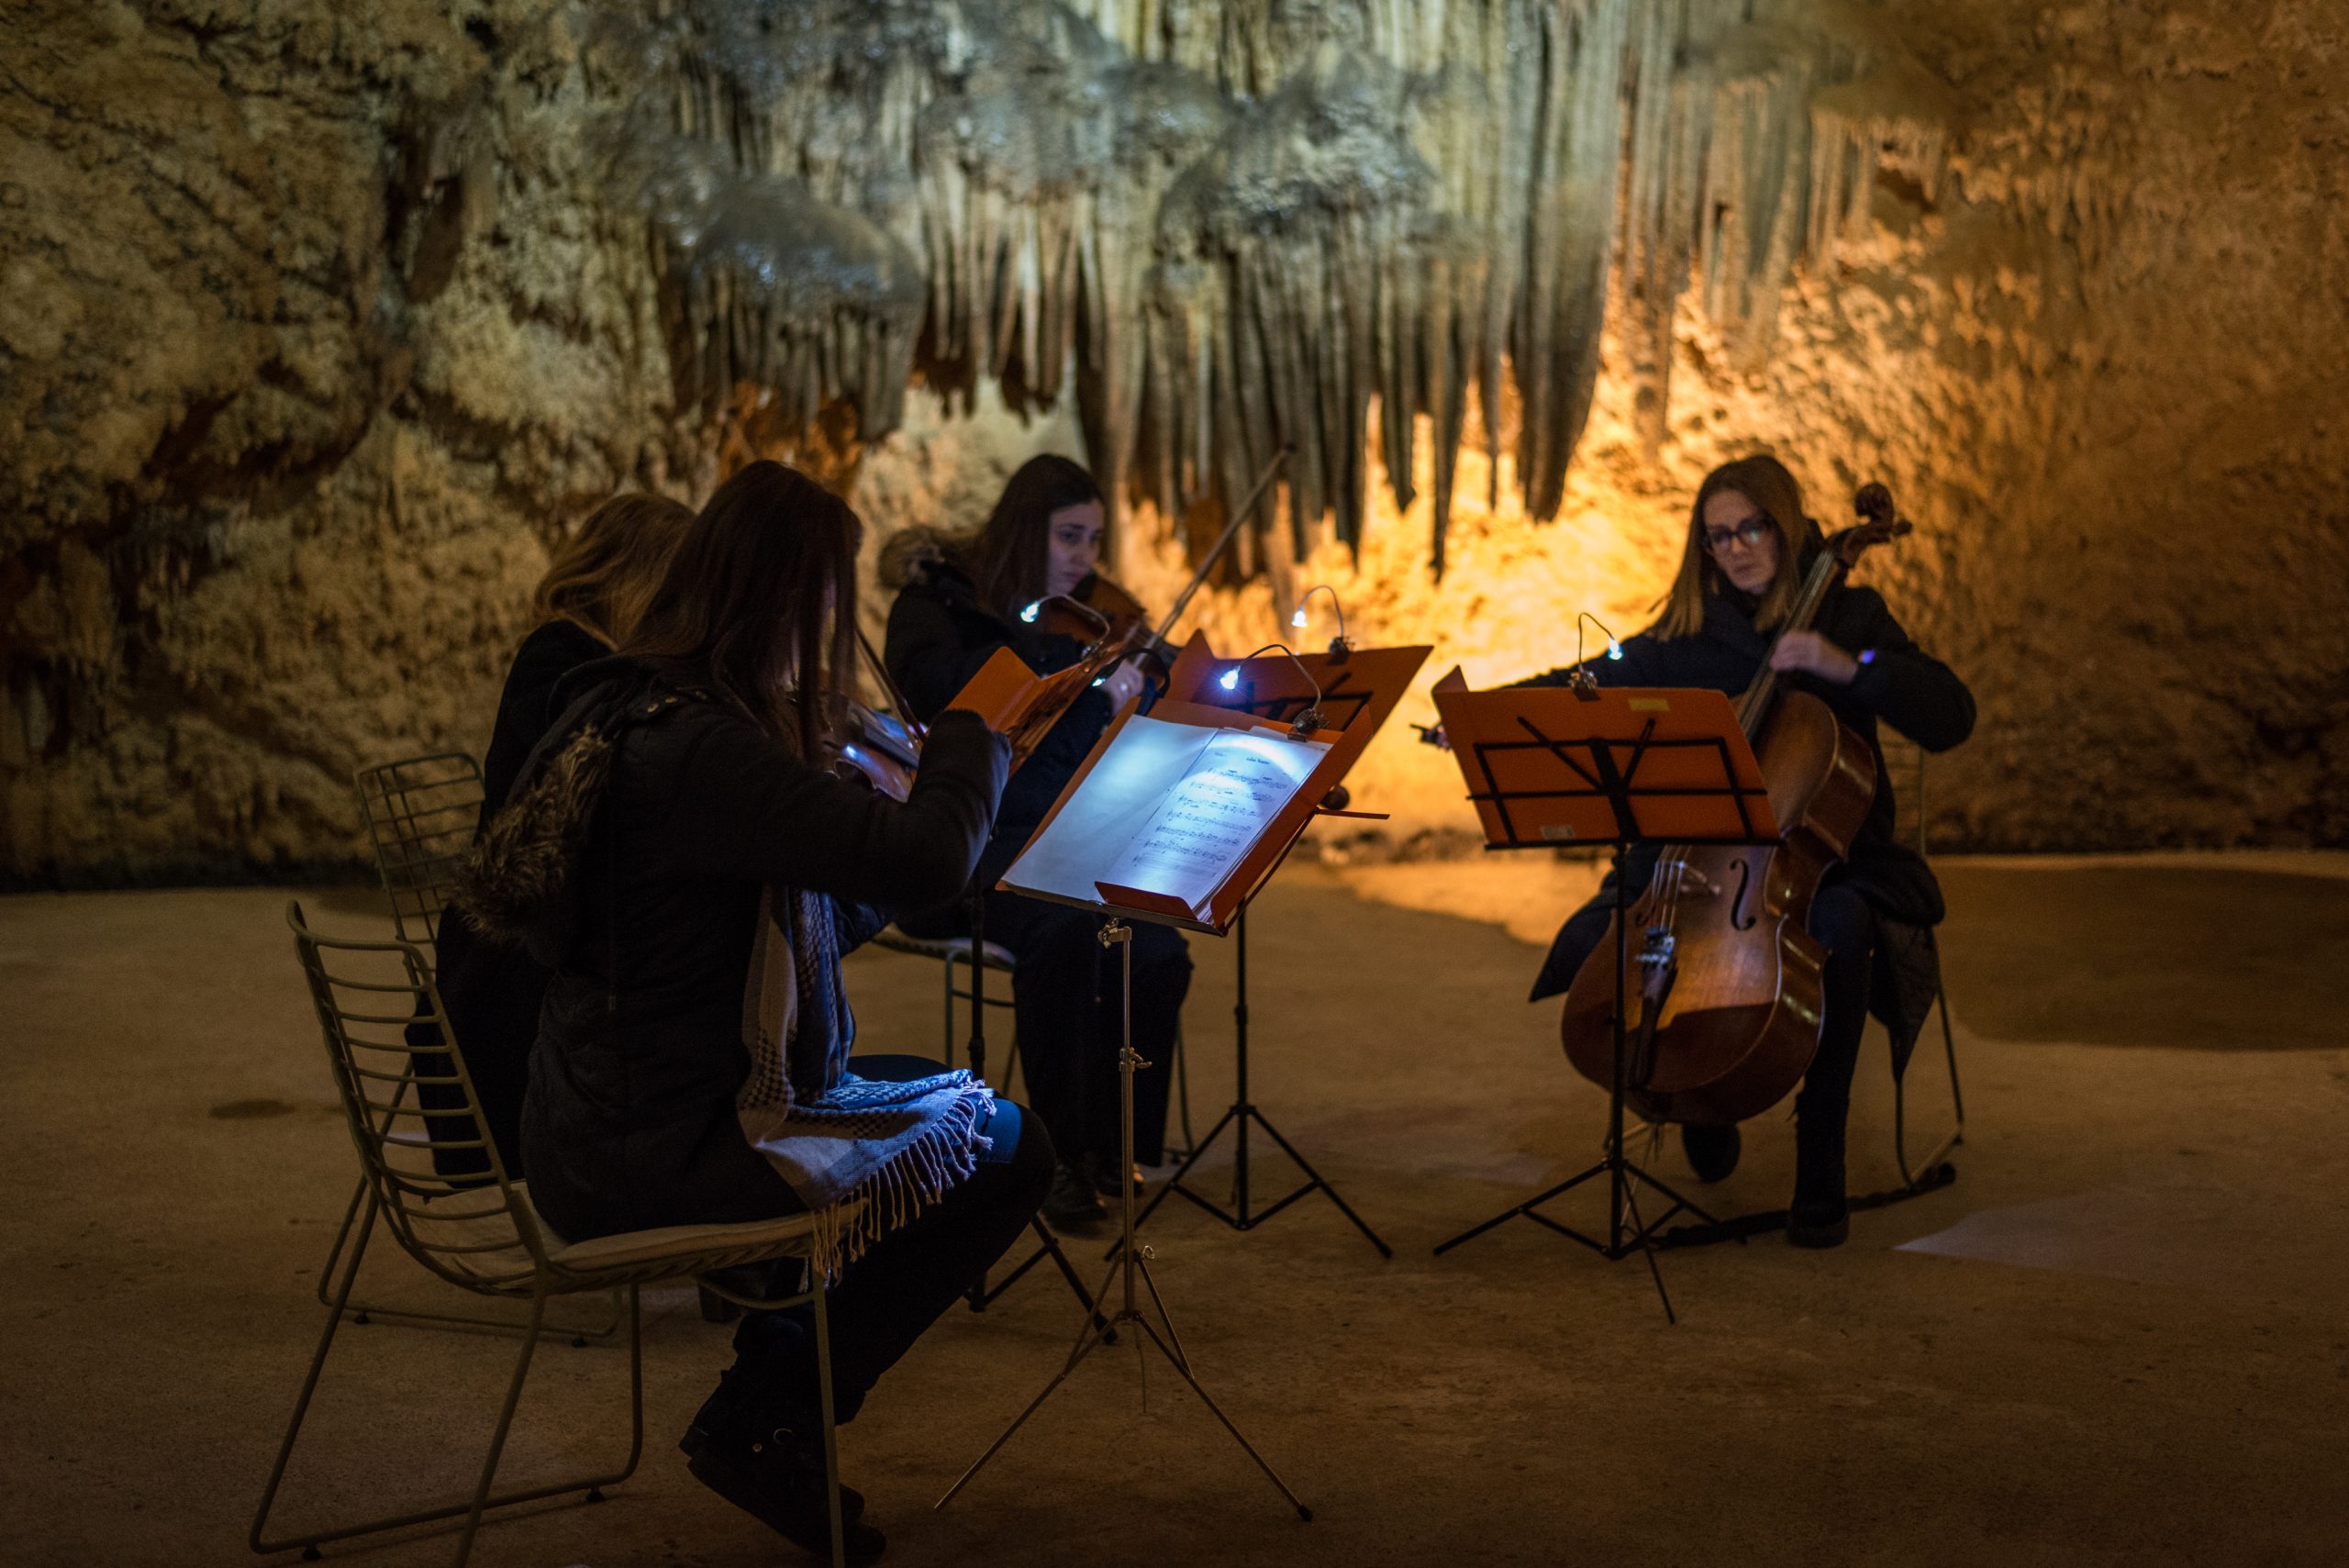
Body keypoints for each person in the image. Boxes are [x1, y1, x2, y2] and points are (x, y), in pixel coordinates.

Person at [459, 460, 1050, 1562]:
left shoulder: (630, 703)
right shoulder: (704, 750)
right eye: (827, 607)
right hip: (662, 1142)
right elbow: (929, 858)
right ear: (787, 600)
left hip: (598, 1111)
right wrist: (973, 732)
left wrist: (840, 856)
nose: (832, 639)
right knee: (1006, 1147)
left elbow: (734, 928)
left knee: (959, 1110)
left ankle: (772, 1388)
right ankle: (770, 1405)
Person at [1510, 454, 1974, 1248]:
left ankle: (1819, 1153)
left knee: (1842, 926)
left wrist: (1848, 668)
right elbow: (1590, 678)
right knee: (1598, 946)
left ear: (1786, 525)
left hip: (1826, 860)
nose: (1735, 548)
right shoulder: (1686, 637)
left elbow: (1950, 713)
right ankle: (1693, 1096)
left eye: (1751, 527)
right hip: (1694, 866)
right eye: (1717, 536)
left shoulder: (1851, 617)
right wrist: (1499, 711)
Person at [882, 455, 1192, 1232]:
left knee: (1156, 949)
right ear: (1026, 531)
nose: (1086, 559)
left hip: (1066, 842)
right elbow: (964, 714)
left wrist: (1148, 686)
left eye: (1094, 538)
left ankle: (1119, 1146)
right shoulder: (937, 605)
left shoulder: (1091, 620)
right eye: (1069, 537)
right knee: (1062, 934)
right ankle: (1056, 1154)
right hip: (965, 847)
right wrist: (1086, 688)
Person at [413, 492, 693, 1178]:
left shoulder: (598, 664)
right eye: (679, 587)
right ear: (639, 577)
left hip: (523, 956)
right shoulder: (562, 658)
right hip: (510, 983)